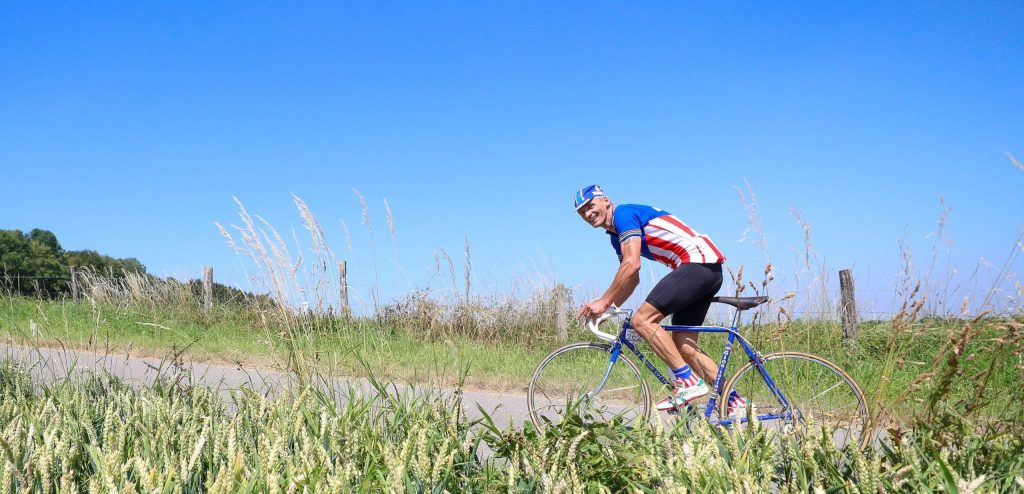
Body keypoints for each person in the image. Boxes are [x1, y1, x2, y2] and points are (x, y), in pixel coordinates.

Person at [573, 184, 750, 416]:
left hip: (696, 263)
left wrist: (604, 302)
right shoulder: (616, 237)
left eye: (590, 205)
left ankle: (687, 382)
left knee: (642, 321)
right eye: (582, 212)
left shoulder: (624, 215)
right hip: (706, 269)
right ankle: (733, 401)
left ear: (606, 201)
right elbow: (631, 278)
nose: (587, 213)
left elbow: (632, 263)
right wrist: (611, 308)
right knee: (685, 346)